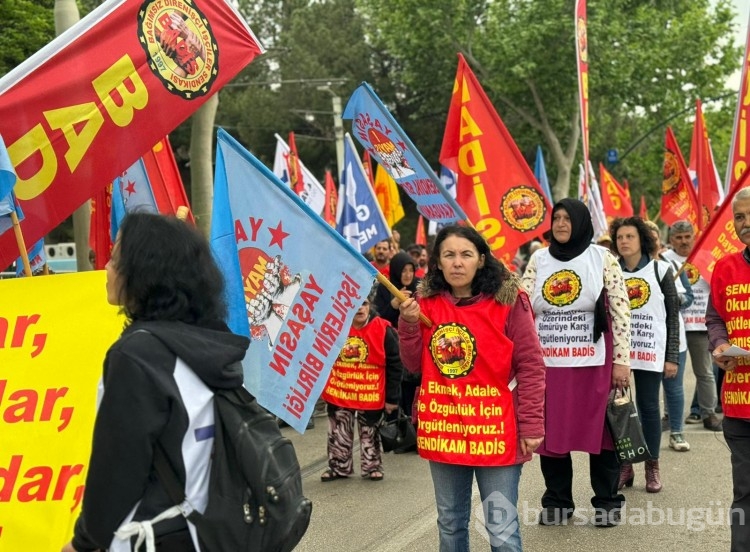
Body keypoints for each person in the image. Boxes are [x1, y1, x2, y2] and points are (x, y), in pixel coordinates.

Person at [62, 212, 250, 552]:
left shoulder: (136, 355)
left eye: (116, 258)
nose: (106, 266)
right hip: (210, 530)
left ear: (145, 273)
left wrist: (83, 542)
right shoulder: (205, 342)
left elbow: (118, 470)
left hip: (153, 536)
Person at [398, 224, 546, 552]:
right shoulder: (425, 303)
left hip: (497, 430)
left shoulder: (510, 300)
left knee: (501, 528)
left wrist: (532, 423)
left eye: (466, 254)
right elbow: (412, 365)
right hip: (445, 426)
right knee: (450, 523)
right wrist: (408, 325)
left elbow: (531, 366)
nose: (457, 263)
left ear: (481, 259)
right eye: (448, 255)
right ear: (437, 261)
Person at [521, 198, 630, 528]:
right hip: (550, 363)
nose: (561, 224)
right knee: (552, 434)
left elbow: (621, 309)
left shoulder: (602, 258)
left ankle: (607, 502)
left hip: (594, 362)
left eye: (568, 218)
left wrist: (622, 361)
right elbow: (522, 303)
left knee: (601, 434)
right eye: (557, 218)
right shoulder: (538, 259)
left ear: (581, 222)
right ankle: (557, 501)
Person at [610, 217, 679, 492]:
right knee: (620, 410)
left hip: (651, 350)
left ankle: (652, 464)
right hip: (620, 354)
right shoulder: (610, 272)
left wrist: (671, 356)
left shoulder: (661, 270)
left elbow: (673, 316)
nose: (624, 241)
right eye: (620, 237)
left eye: (630, 236)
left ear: (642, 240)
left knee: (649, 408)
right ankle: (626, 466)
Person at [705, 186, 750, 552]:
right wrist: (719, 344)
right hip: (739, 404)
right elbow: (715, 317)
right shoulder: (724, 267)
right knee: (745, 494)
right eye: (739, 217)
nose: (745, 223)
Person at [320, 294, 402, 482]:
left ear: (369, 305)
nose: (359, 308)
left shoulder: (383, 329)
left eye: (363, 304)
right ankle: (338, 467)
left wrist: (392, 399)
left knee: (370, 432)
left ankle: (372, 466)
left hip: (371, 393)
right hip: (340, 389)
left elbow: (396, 365)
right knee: (338, 430)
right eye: (354, 304)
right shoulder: (335, 326)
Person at [663, 220, 722, 431]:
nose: (684, 241)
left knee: (704, 372)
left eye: (687, 236)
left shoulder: (705, 258)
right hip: (675, 326)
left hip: (700, 324)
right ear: (671, 240)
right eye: (678, 238)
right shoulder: (664, 260)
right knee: (671, 374)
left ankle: (709, 413)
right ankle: (670, 416)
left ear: (693, 236)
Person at [644, 219, 693, 452]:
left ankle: (677, 433)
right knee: (647, 394)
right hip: (645, 341)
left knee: (673, 388)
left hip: (674, 339)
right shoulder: (628, 266)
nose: (652, 241)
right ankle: (646, 438)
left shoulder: (671, 265)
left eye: (654, 237)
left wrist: (673, 297)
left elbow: (689, 297)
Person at [373, 251, 421, 430]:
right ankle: (399, 432)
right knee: (396, 390)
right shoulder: (385, 288)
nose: (408, 275)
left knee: (413, 392)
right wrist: (393, 304)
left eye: (411, 270)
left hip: (413, 347)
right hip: (392, 346)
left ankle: (416, 429)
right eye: (404, 271)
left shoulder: (420, 288)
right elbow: (378, 318)